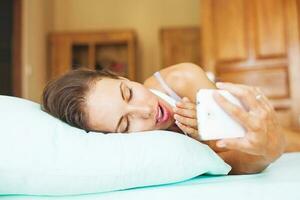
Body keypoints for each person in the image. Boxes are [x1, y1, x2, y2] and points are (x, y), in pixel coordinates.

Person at [42, 63, 300, 174]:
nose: (146, 111)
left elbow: (238, 151)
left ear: (123, 78)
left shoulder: (181, 79)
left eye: (128, 93)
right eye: (126, 124)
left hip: (242, 119)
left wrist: (208, 138)